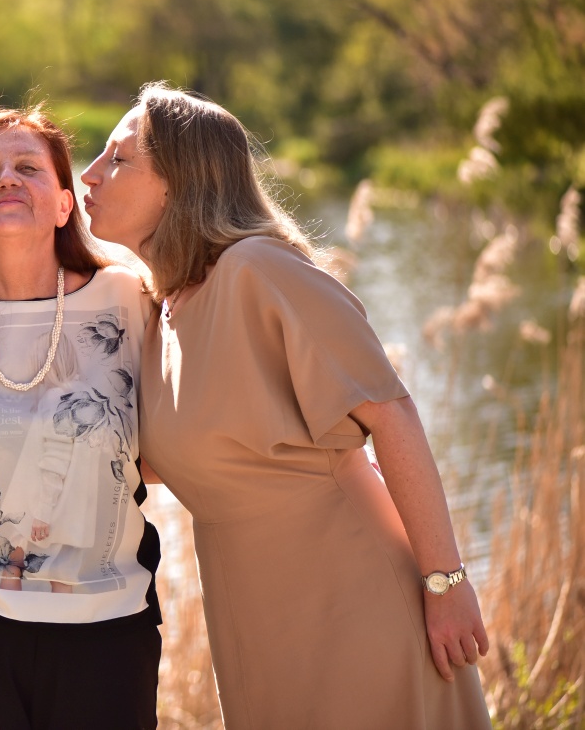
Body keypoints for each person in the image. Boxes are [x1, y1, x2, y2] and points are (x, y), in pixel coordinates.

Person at [80, 83, 492, 729]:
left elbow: (391, 413)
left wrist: (446, 583)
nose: (89, 174)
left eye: (118, 159)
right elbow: (166, 462)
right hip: (258, 629)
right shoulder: (162, 314)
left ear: (179, 183)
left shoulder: (259, 271)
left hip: (356, 606)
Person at [0, 106, 163, 729]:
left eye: (28, 167)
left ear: (66, 204)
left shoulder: (131, 299)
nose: (8, 179)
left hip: (108, 630)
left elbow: (180, 439)